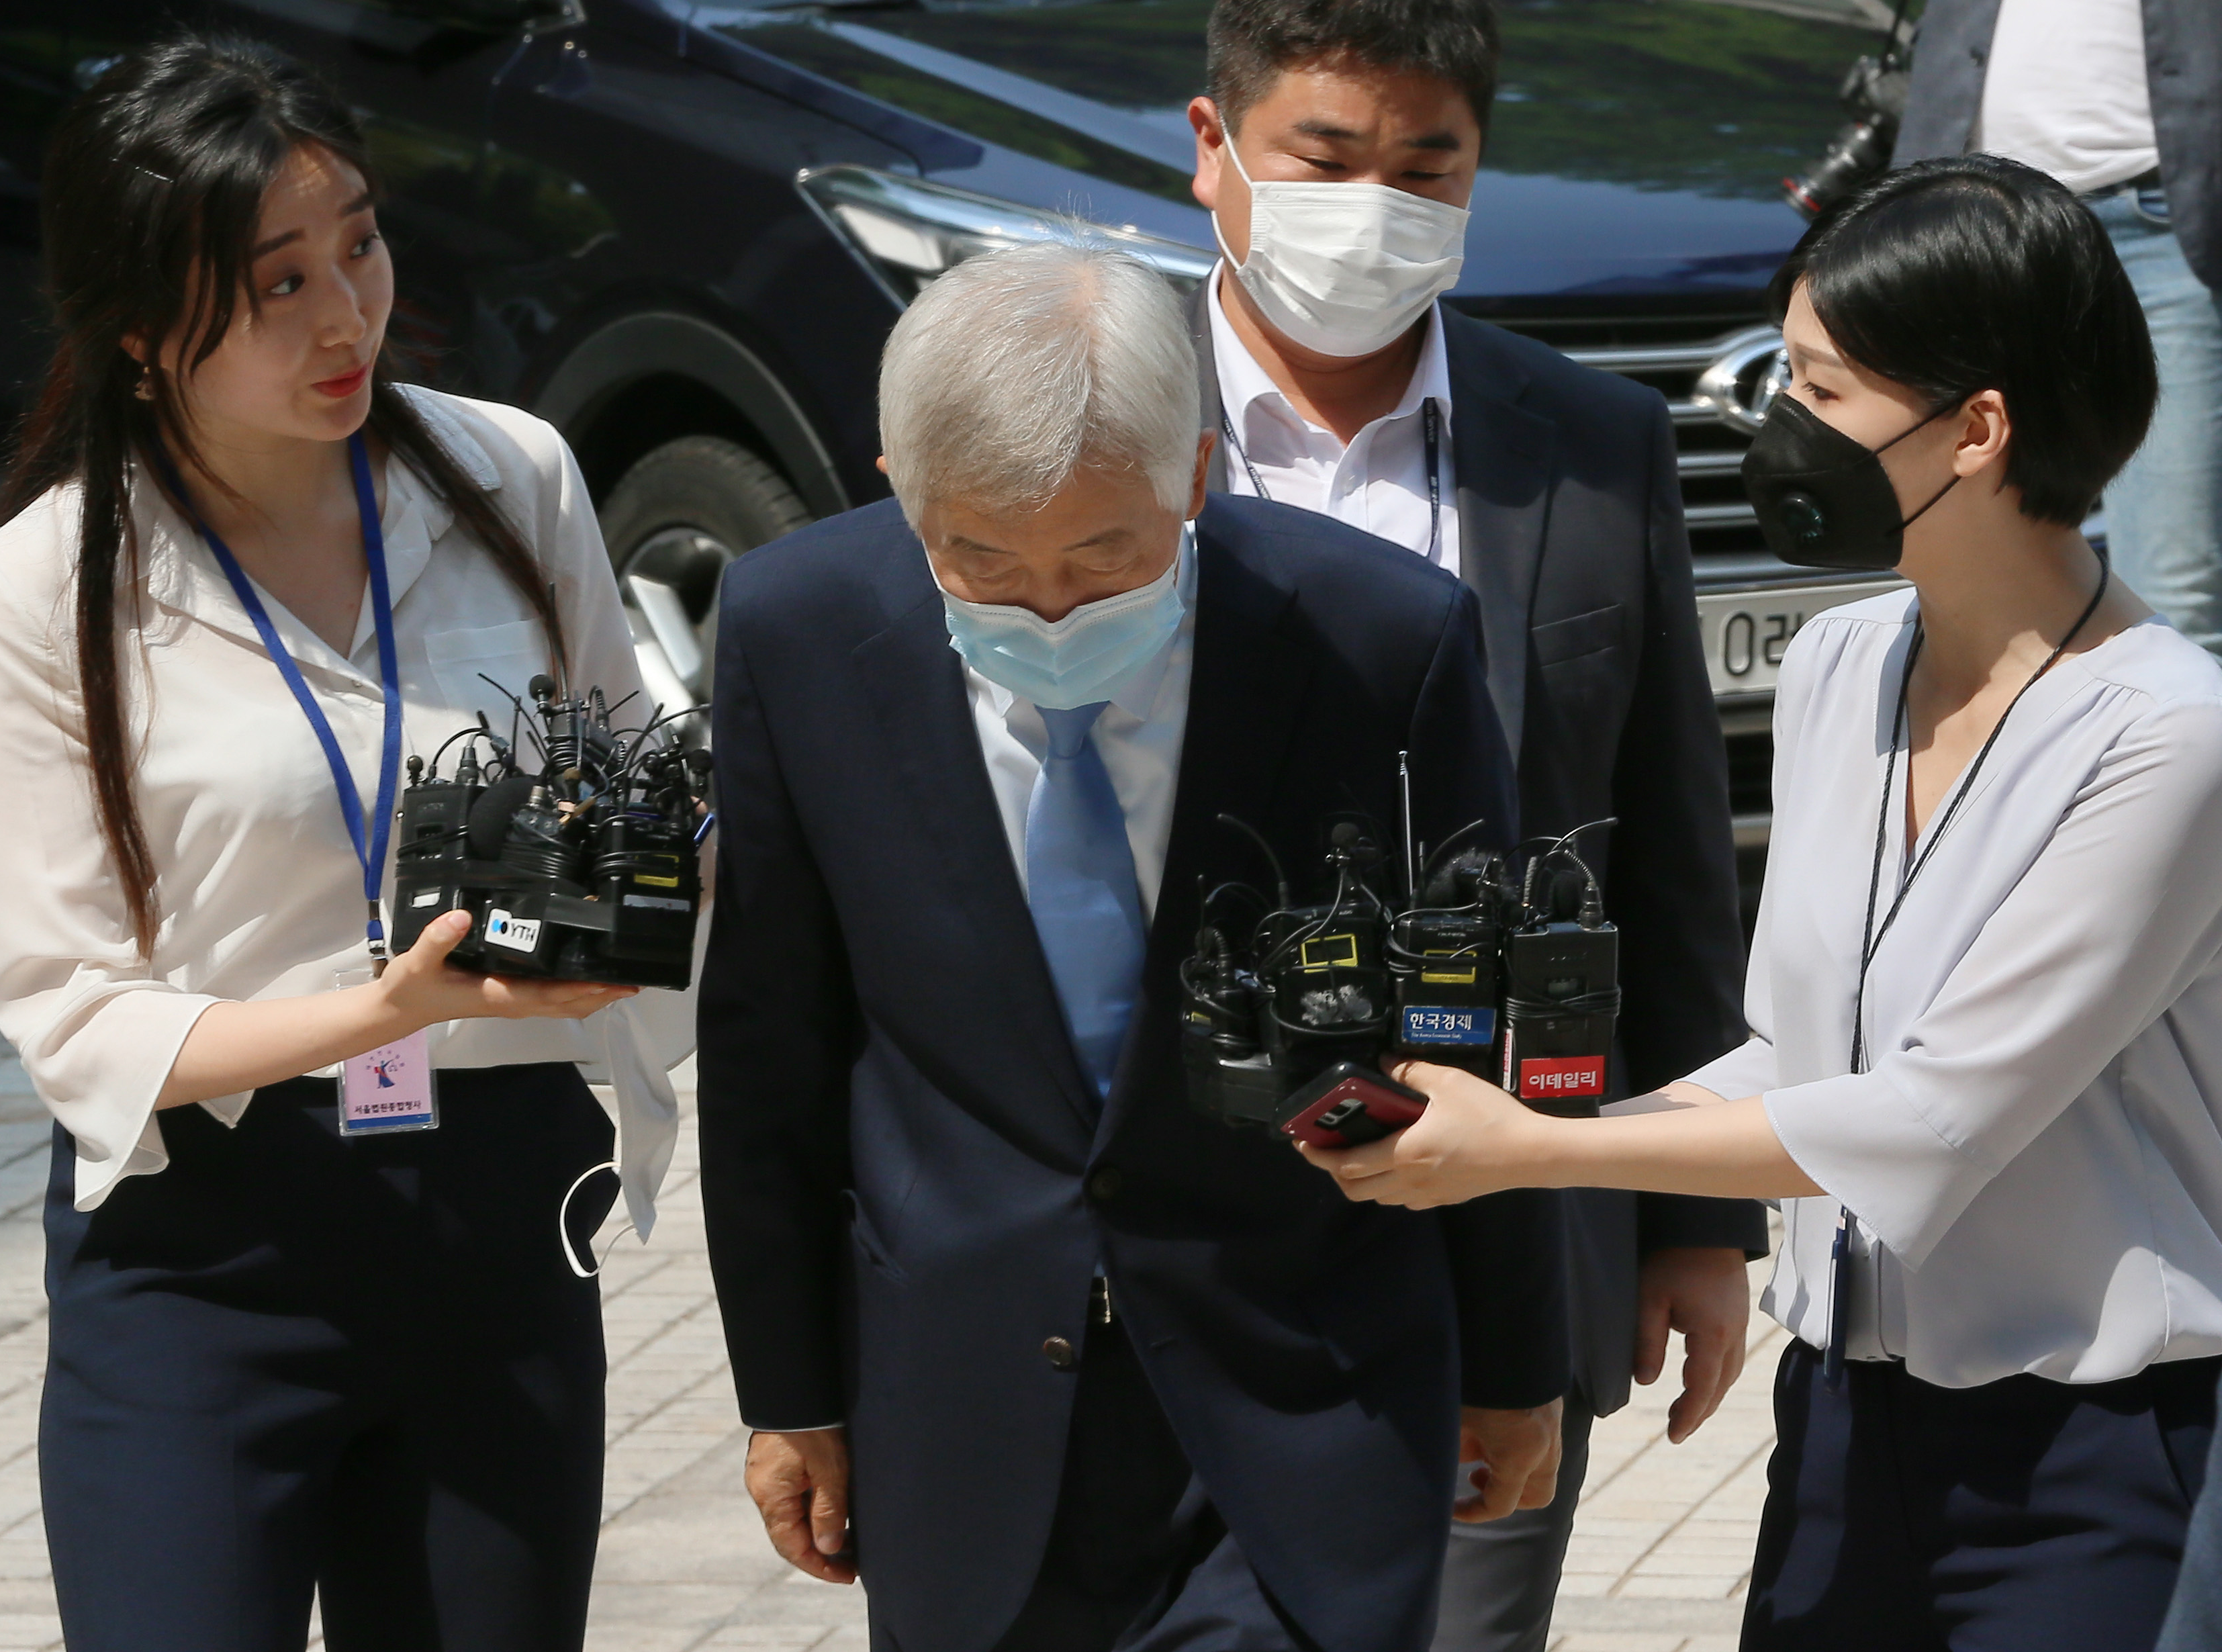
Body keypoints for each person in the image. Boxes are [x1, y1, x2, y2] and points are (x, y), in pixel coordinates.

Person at [1305, 154, 2222, 1652]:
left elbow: (1932, 1119)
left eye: (1817, 386)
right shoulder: (1837, 667)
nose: (1773, 424)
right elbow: (1799, 1054)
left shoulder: (2162, 733)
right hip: (1846, 1439)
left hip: (2092, 1462)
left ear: (1977, 429)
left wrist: (1529, 1152)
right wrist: (1494, 1126)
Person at [695, 239, 1569, 1652]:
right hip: (961, 1404)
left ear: (1199, 480)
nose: (1046, 609)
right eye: (980, 561)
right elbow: (767, 1044)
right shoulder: (798, 630)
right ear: (898, 493)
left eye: (1104, 561)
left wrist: (1518, 1362)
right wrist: (787, 1394)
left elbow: (1473, 1022)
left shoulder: (1380, 640)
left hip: (1303, 1386)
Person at [0, 38, 688, 1651]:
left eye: (356, 244)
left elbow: (640, 774)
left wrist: (665, 877)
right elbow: (71, 1010)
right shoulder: (34, 594)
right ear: (142, 331)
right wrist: (395, 1007)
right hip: (207, 1246)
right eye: (274, 282)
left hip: (498, 1218)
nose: (345, 314)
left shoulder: (510, 473)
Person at [1183, 1, 1766, 1643]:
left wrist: (1693, 1219)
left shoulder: (1585, 446)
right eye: (1325, 154)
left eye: (1424, 162)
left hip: (1494, 1220)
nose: (1372, 200)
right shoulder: (1095, 413)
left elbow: (1660, 843)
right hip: (1171, 1213)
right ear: (1210, 150)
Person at [1895, 0, 2221, 653]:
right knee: (1950, 571)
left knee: (2172, 593)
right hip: (1968, 228)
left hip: (2161, 228)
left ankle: (2166, 755)